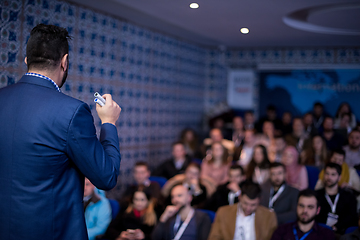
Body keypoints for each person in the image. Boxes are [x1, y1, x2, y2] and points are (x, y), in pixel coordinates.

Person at [0, 24, 121, 240]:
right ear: (64, 62)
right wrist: (109, 123)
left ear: (27, 61)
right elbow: (107, 177)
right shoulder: (72, 111)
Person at [208, 181, 277, 240]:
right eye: (245, 203)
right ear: (240, 197)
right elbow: (214, 237)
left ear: (259, 200)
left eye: (253, 205)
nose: (248, 208)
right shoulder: (223, 212)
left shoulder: (268, 216)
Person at [270, 189, 336, 240]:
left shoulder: (326, 235)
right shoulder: (282, 230)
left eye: (310, 207)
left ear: (318, 210)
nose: (305, 210)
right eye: (301, 206)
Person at [315, 163, 358, 235]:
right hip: (319, 232)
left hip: (341, 233)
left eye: (333, 174)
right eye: (327, 174)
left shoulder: (349, 197)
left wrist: (336, 227)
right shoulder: (316, 195)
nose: (329, 177)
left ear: (339, 177)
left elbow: (351, 217)